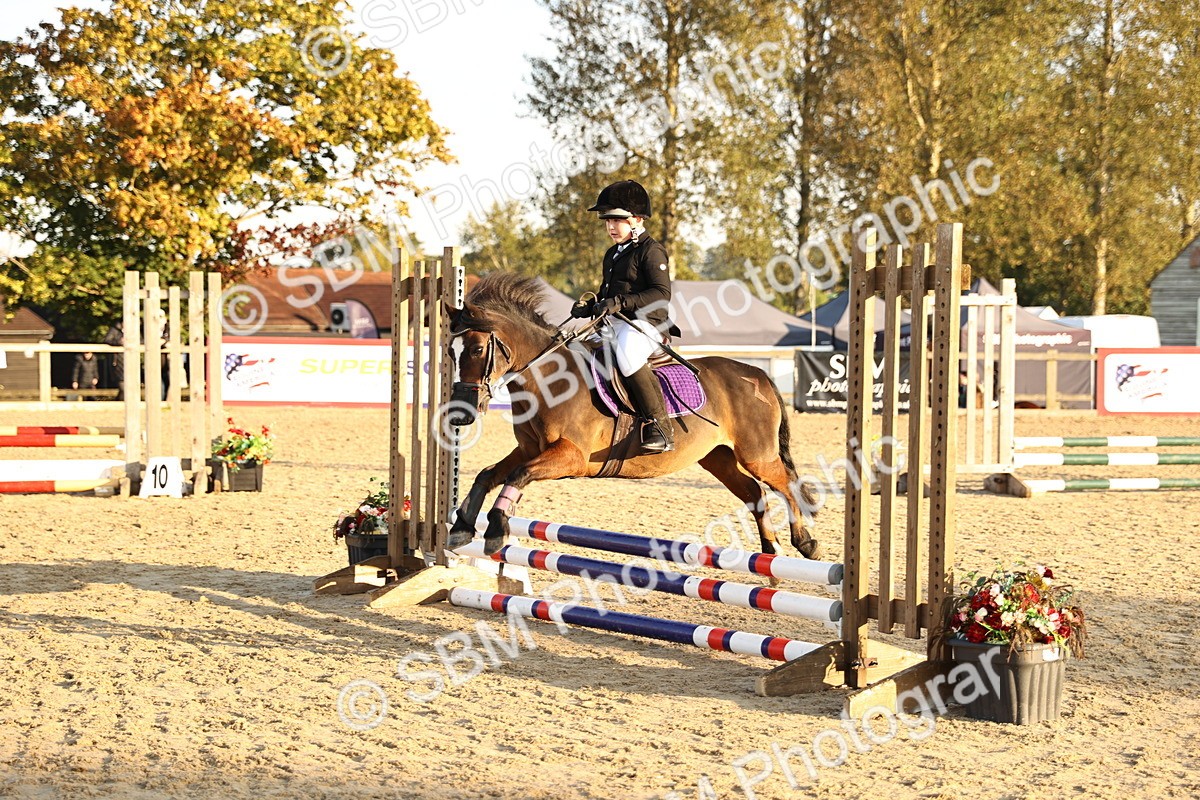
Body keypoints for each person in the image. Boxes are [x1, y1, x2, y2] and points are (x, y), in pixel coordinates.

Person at [570, 180, 675, 453]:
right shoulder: (613, 254)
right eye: (607, 221)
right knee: (574, 349)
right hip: (615, 322)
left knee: (627, 355)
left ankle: (660, 427)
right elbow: (611, 293)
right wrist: (592, 307)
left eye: (617, 220)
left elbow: (662, 293)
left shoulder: (651, 250)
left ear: (637, 220)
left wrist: (621, 302)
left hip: (646, 323)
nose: (611, 227)